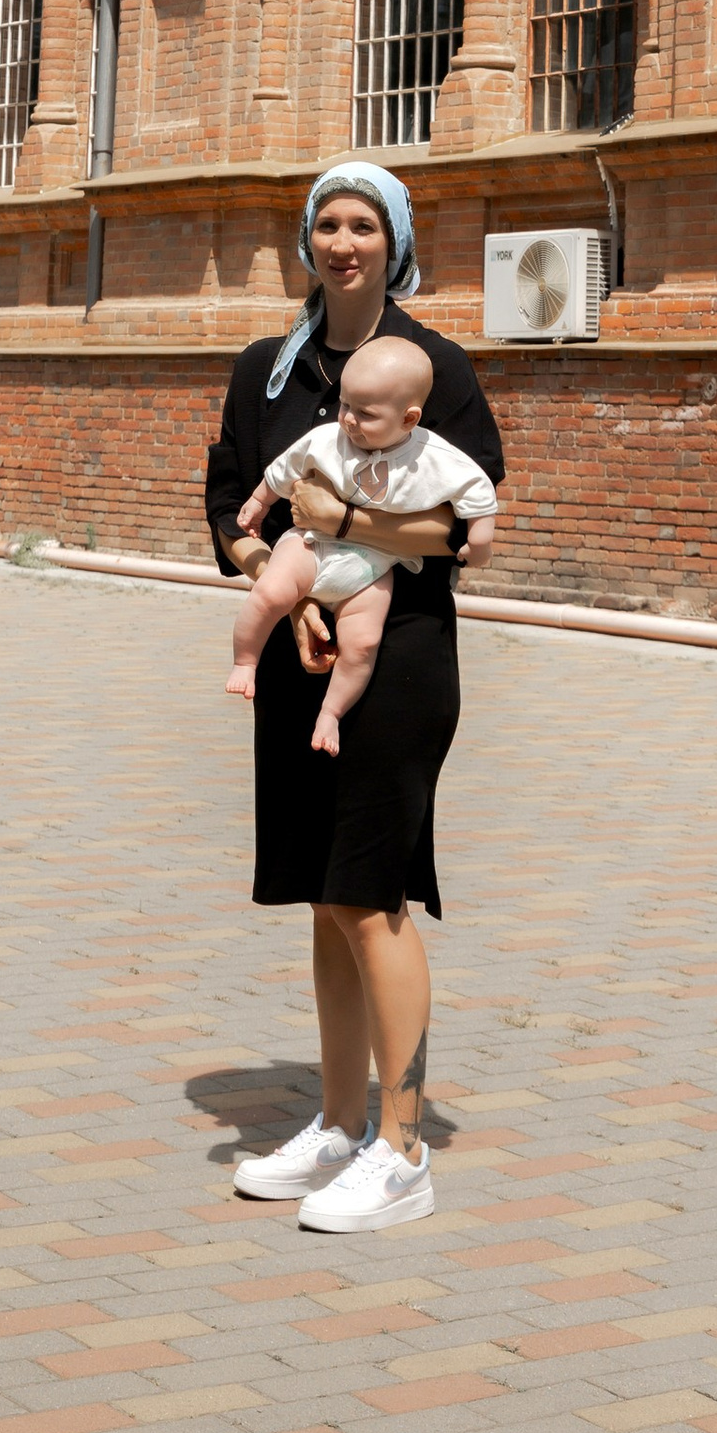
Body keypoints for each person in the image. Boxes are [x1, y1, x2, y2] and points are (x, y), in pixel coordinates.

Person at [205, 161, 503, 1235]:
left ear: (395, 242)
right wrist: (282, 596)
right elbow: (229, 510)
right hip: (300, 653)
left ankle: (402, 1146)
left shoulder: (437, 369)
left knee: (373, 891)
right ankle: (336, 1124)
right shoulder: (264, 374)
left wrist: (334, 522)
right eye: (327, 224)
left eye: (363, 226)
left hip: (403, 659)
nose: (343, 243)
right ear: (306, 241)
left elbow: (455, 535)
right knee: (323, 900)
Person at [226, 336, 499, 755]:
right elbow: (283, 471)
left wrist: (479, 543)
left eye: (366, 413)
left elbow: (477, 492)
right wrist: (258, 505)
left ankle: (331, 712)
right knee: (272, 592)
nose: (349, 420)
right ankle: (246, 660)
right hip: (311, 544)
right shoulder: (326, 440)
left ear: (409, 419)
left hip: (374, 567)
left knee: (362, 643)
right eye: (345, 405)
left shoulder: (433, 457)